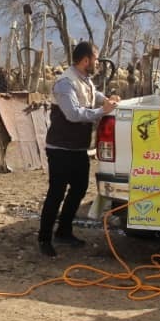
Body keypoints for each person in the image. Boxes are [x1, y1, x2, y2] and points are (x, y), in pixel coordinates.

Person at [38, 41, 119, 258]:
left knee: (79, 188)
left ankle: (64, 230)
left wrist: (108, 101)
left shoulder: (84, 80)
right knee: (56, 192)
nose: (98, 63)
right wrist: (102, 111)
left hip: (77, 148)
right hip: (61, 148)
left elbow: (93, 95)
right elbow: (73, 114)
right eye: (96, 59)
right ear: (86, 60)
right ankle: (44, 238)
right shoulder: (66, 83)